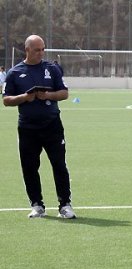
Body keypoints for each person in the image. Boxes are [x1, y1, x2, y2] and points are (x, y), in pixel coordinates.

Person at [2, 35, 76, 219]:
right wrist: (24, 98)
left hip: (52, 125)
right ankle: (37, 205)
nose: (41, 53)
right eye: (37, 49)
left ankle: (65, 205)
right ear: (27, 50)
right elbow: (6, 100)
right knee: (29, 166)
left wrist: (48, 96)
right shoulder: (14, 72)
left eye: (43, 49)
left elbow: (65, 93)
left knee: (59, 164)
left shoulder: (52, 69)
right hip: (27, 128)